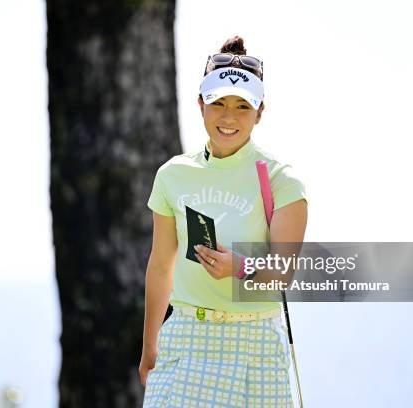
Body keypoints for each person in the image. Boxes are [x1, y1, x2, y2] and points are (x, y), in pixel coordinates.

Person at [139, 35, 308, 408]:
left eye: (242, 106)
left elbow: (283, 271)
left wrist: (239, 268)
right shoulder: (172, 175)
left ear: (259, 111)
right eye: (218, 104)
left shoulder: (282, 180)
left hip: (256, 345)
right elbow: (161, 264)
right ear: (200, 104)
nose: (228, 117)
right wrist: (150, 344)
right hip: (186, 339)